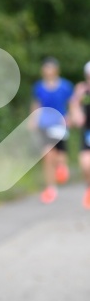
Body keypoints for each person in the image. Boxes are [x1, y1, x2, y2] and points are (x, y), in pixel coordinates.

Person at [31, 57, 74, 204]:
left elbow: (72, 103)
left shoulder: (65, 86)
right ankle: (50, 188)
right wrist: (33, 120)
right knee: (47, 155)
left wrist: (71, 117)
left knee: (60, 155)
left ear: (56, 70)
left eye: (51, 68)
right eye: (46, 68)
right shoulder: (39, 87)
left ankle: (62, 167)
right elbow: (36, 104)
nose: (48, 71)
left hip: (60, 124)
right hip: (45, 125)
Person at [69, 61, 90, 209]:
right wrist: (76, 115)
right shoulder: (82, 90)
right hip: (87, 130)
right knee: (85, 163)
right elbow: (74, 105)